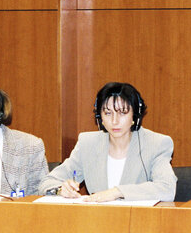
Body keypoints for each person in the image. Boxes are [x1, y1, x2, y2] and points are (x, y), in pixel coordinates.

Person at [39, 82, 176, 202]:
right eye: (108, 113)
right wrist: (60, 189)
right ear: (100, 118)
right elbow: (46, 183)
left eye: (122, 112)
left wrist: (116, 192)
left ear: (135, 116)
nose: (115, 121)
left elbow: (167, 188)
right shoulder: (88, 144)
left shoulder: (157, 144)